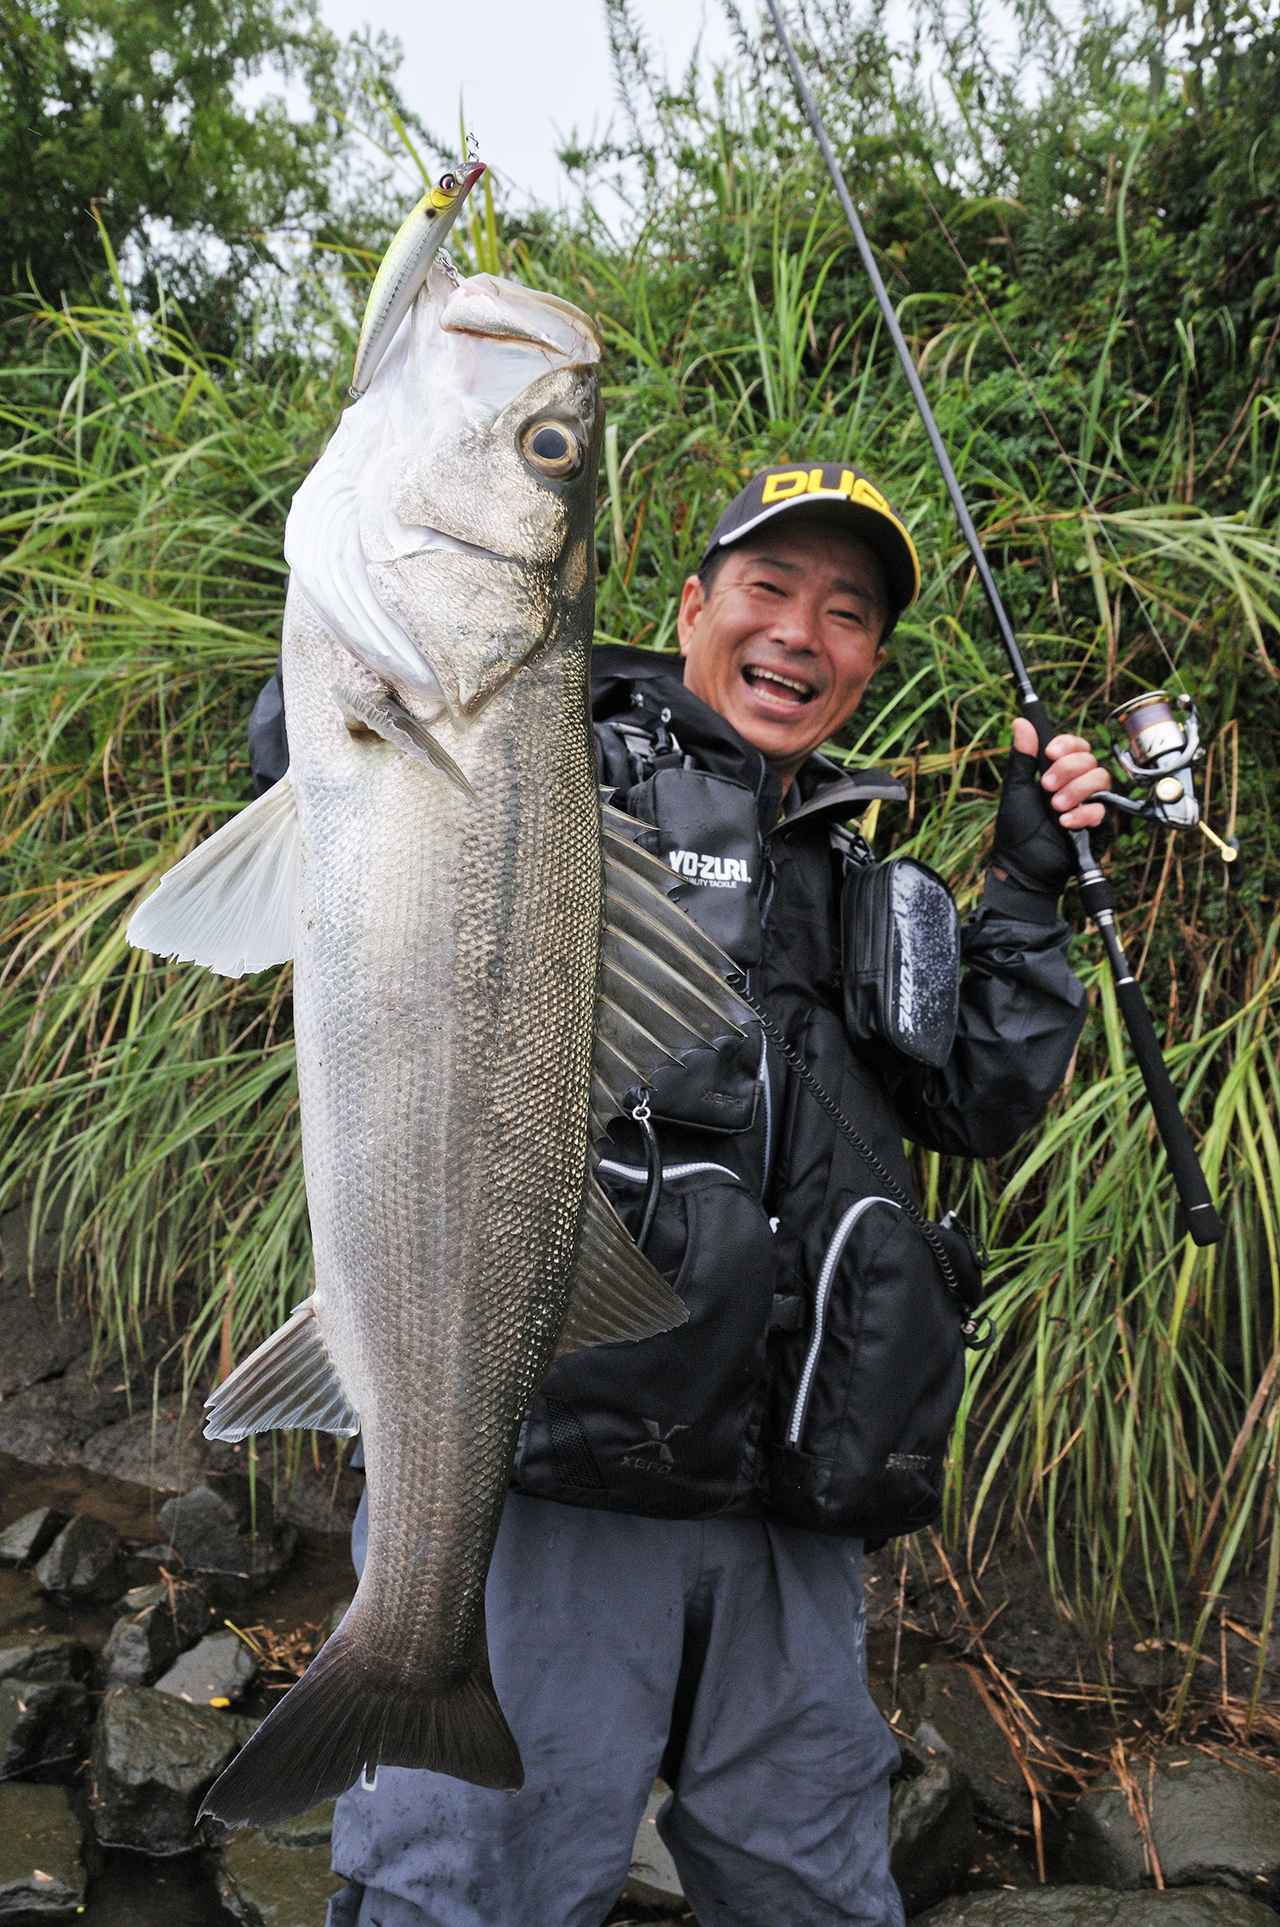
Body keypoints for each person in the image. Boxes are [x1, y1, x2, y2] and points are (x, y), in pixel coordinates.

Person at [250, 460, 1109, 1927]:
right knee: (479, 1894)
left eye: (845, 615)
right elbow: (328, 769)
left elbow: (982, 1100)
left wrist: (1027, 897)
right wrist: (388, 607)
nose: (800, 635)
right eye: (768, 590)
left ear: (869, 669)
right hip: (552, 1475)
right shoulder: (550, 776)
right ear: (693, 606)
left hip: (787, 1499)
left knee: (821, 1896)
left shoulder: (861, 881)